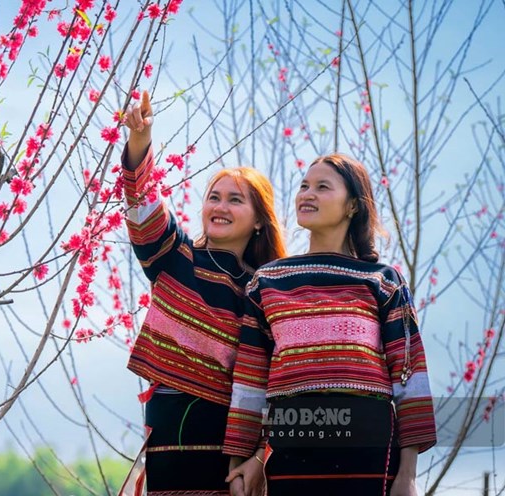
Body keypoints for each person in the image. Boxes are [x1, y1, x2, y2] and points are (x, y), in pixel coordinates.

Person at [223, 153, 437, 496]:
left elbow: (409, 378)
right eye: (304, 186)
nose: (307, 194)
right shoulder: (268, 282)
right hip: (290, 444)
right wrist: (243, 461)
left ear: (353, 205)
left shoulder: (383, 281)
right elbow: (250, 379)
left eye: (322, 187)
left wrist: (407, 476)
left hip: (368, 449)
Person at [121, 90, 286, 495]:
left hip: (228, 440)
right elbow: (142, 204)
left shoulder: (265, 290)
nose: (220, 207)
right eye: (214, 197)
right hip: (165, 426)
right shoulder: (176, 256)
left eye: (235, 200)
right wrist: (140, 139)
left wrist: (258, 454)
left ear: (260, 221)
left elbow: (275, 378)